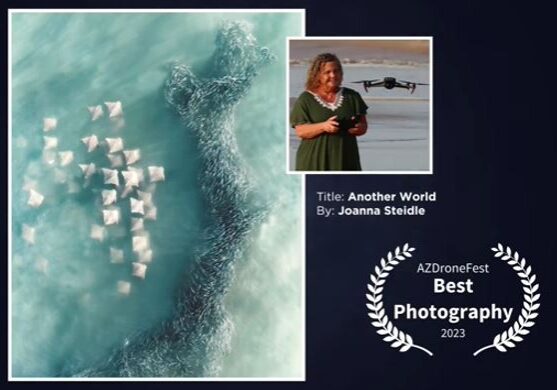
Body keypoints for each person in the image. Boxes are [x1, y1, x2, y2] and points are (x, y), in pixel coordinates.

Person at [290, 53, 368, 171]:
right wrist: (323, 126)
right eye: (327, 72)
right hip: (313, 161)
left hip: (346, 159)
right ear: (317, 75)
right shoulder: (305, 99)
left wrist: (359, 128)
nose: (333, 75)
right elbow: (301, 131)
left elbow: (363, 126)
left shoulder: (352, 96)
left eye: (336, 71)